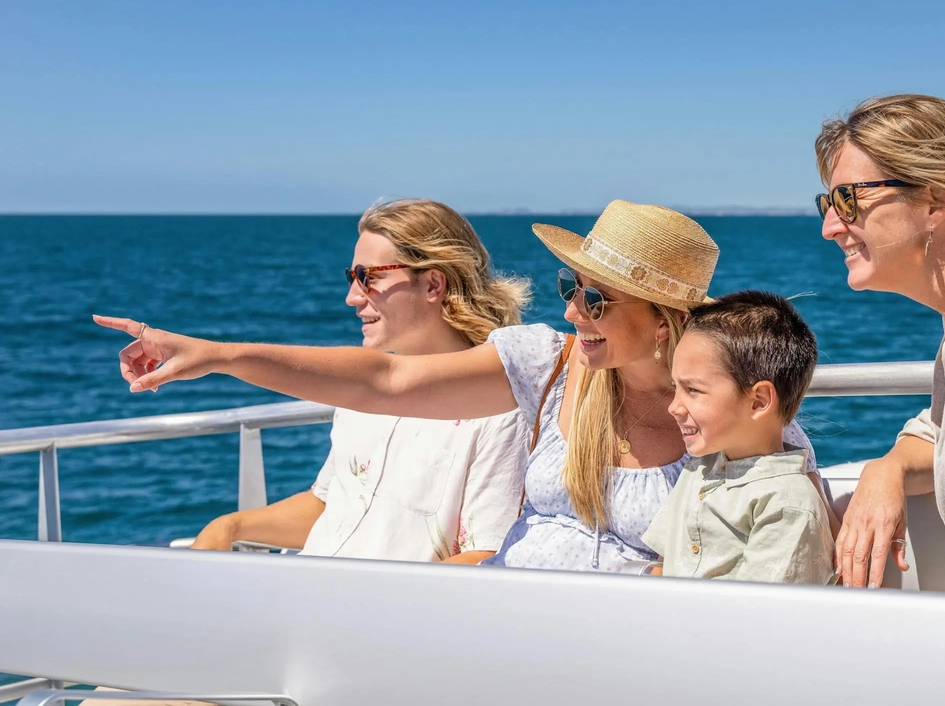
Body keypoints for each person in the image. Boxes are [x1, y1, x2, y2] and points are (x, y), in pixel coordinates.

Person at [96, 199, 828, 573]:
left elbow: (778, 522)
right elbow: (387, 380)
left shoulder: (732, 412)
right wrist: (219, 354)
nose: (572, 311)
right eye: (573, 289)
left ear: (666, 320)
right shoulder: (550, 364)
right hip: (496, 624)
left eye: (595, 300)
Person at [183, 198, 532, 563]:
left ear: (432, 284)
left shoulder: (499, 407)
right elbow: (330, 505)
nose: (352, 297)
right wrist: (229, 527)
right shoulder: (360, 396)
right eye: (352, 278)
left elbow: (487, 554)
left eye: (370, 277)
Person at [815, 94, 945, 596]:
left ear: (936, 201)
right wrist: (887, 468)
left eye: (848, 200)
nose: (829, 227)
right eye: (828, 203)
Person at [642, 290, 834, 583]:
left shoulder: (786, 504)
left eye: (692, 390)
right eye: (675, 388)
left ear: (759, 401)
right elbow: (662, 565)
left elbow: (757, 619)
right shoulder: (699, 469)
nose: (674, 407)